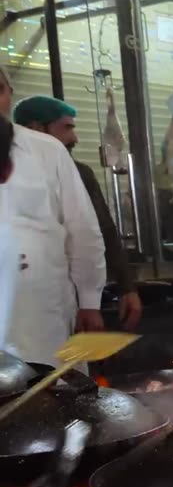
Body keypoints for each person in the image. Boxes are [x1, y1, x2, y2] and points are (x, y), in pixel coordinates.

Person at [0, 67, 106, 366]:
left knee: (58, 399)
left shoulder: (47, 151)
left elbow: (82, 228)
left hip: (44, 317)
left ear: (10, 94)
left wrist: (89, 301)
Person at [12, 96, 142, 330]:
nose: (75, 138)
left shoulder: (80, 173)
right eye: (66, 128)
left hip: (67, 305)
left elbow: (102, 231)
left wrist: (126, 288)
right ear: (35, 128)